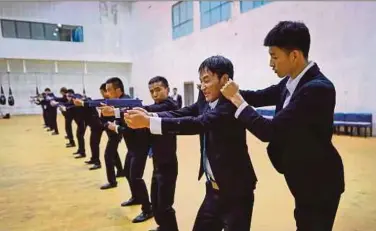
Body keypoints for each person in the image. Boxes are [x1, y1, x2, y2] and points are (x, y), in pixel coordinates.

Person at [220, 21, 345, 231]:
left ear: (294, 55)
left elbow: (268, 131)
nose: (271, 63)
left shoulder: (316, 89)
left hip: (320, 182)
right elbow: (260, 96)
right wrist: (228, 91)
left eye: (274, 56)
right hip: (302, 177)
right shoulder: (291, 81)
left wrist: (237, 100)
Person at [124, 56, 257, 231]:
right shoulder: (205, 99)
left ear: (224, 80)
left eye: (207, 80)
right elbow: (185, 112)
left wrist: (149, 123)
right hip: (213, 190)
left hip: (237, 192)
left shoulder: (230, 106)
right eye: (201, 81)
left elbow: (197, 123)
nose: (202, 86)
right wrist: (152, 116)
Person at [109, 76, 179, 228]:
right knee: (156, 201)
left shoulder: (170, 106)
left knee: (165, 206)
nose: (155, 94)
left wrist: (116, 112)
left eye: (158, 90)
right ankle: (162, 227)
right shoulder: (156, 106)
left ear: (167, 89)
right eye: (152, 91)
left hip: (168, 164)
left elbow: (151, 110)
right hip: (158, 163)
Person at [73, 83, 108, 170]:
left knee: (95, 144)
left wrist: (82, 102)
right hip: (94, 126)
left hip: (97, 126)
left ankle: (97, 162)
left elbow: (90, 102)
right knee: (92, 143)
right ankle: (94, 159)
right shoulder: (79, 106)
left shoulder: (87, 102)